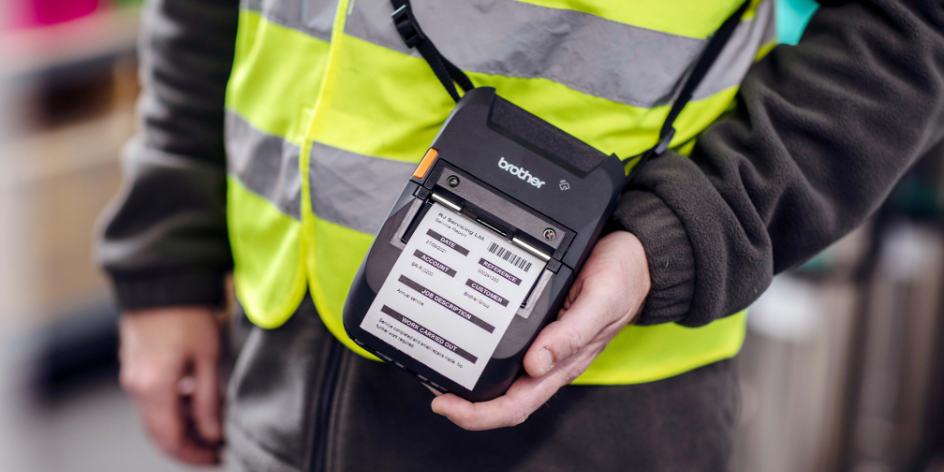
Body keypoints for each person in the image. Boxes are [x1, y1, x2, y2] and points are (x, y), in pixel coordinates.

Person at [97, 0, 944, 470]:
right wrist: (165, 256)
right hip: (276, 355)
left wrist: (686, 232)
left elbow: (906, 23)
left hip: (588, 407)